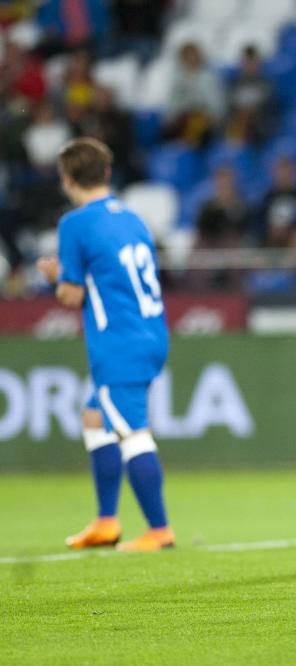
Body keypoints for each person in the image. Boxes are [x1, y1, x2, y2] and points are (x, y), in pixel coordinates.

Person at [35, 137, 173, 552]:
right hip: (152, 332)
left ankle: (159, 529)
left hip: (118, 342)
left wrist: (54, 277)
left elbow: (71, 296)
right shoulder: (133, 219)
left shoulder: (74, 224)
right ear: (107, 172)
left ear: (67, 179)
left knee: (132, 432)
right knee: (95, 419)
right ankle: (107, 522)